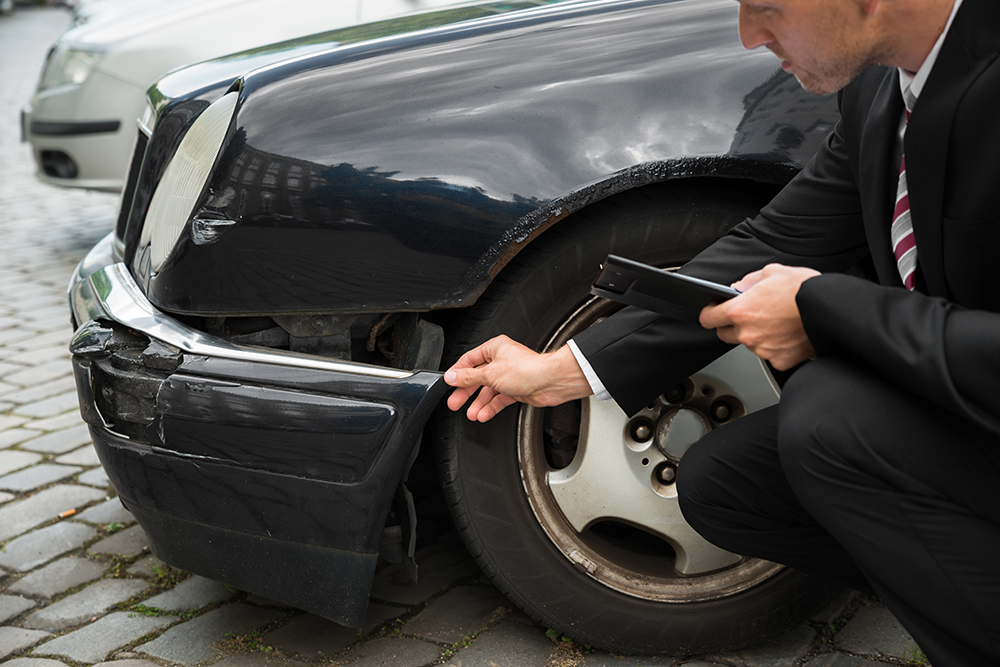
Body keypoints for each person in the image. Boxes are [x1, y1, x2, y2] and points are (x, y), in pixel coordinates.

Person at [443, 0, 1000, 664]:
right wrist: (565, 371)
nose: (748, 36)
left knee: (828, 418)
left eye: (766, 8)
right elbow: (771, 241)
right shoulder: (882, 90)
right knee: (724, 484)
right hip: (967, 418)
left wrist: (825, 309)